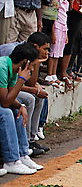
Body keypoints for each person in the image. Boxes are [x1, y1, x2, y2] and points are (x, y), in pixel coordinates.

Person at [0, 43, 43, 174]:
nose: (33, 69)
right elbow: (5, 102)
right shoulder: (2, 67)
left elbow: (11, 96)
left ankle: (22, 155)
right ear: (25, 63)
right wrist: (21, 79)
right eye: (32, 65)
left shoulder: (12, 68)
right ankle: (11, 161)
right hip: (2, 102)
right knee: (6, 112)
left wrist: (20, 106)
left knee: (18, 110)